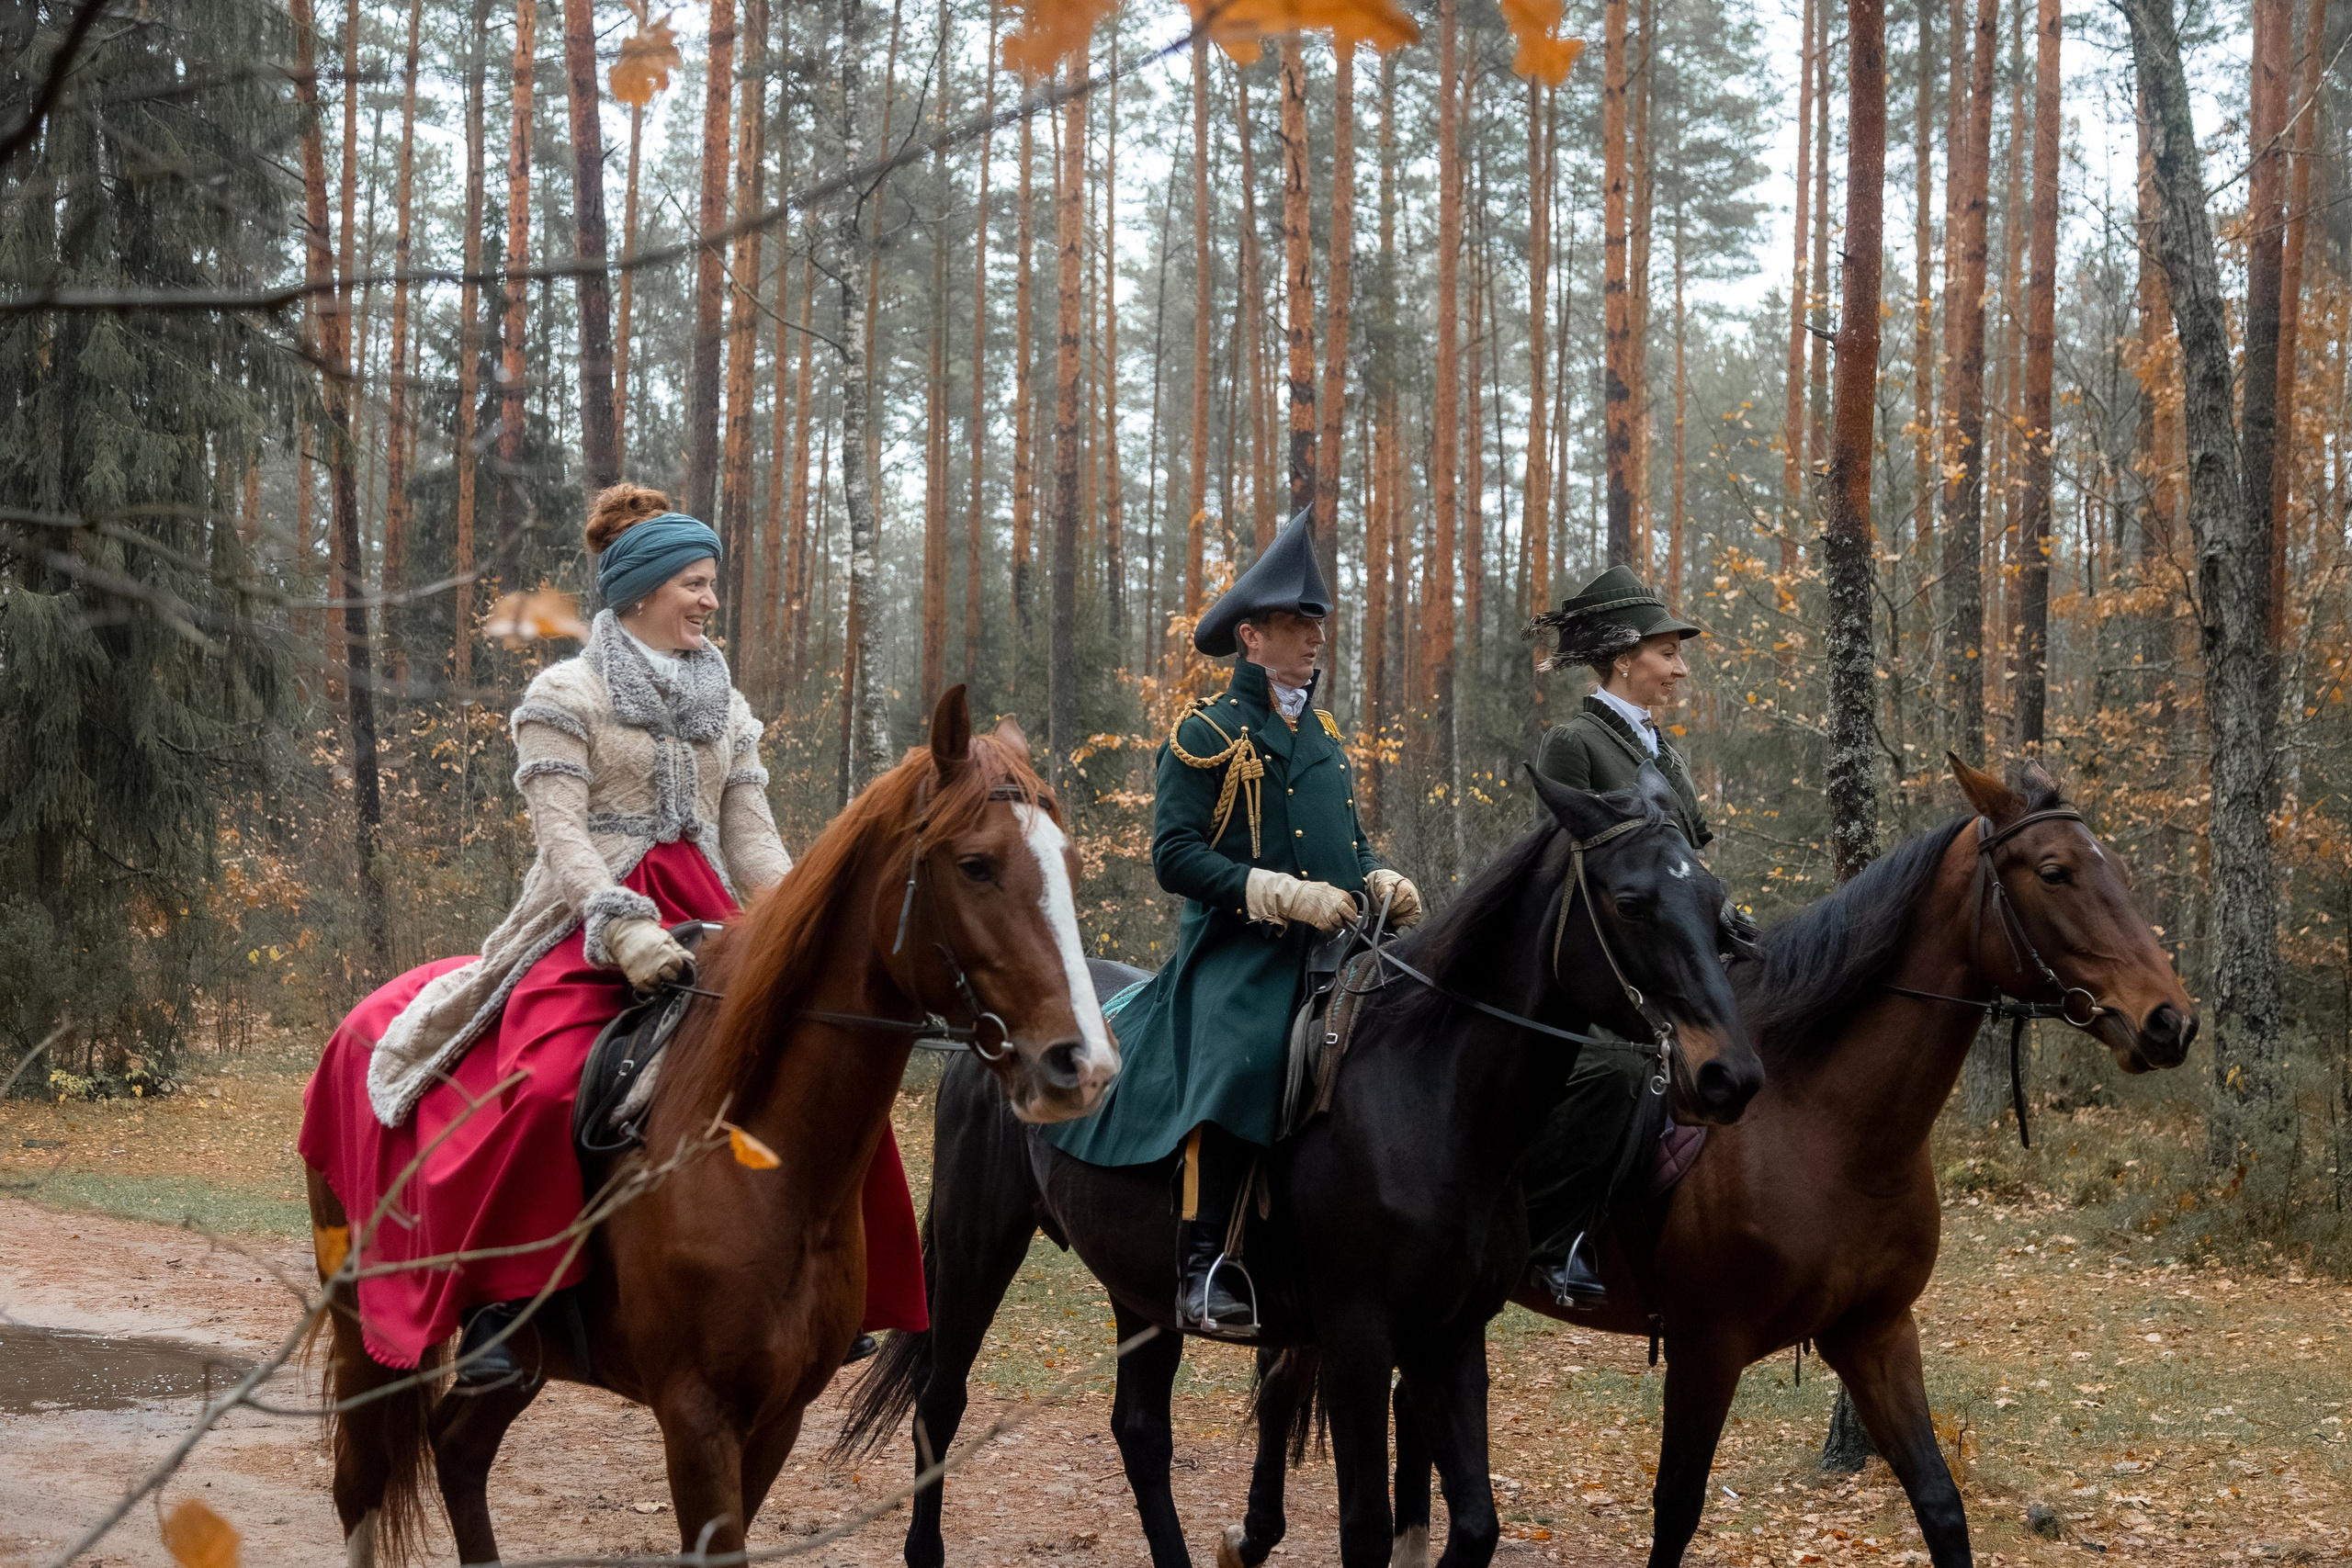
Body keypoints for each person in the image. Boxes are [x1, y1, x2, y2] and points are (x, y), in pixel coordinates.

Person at [299, 484, 924, 1386]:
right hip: (583, 921)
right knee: (549, 1084)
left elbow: (751, 837)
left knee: (822, 1082)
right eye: (696, 584)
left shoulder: (728, 704)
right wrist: (619, 925)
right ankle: (503, 1313)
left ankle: (832, 1292)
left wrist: (801, 922)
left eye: (712, 585)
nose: (711, 601)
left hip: (710, 918)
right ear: (640, 591)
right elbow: (560, 839)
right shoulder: (565, 693)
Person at [1046, 508, 1422, 1337]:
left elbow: (1347, 845)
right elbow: (1173, 855)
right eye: (1296, 622)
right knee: (1238, 1051)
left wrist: (1376, 876)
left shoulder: (1323, 735)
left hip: (1339, 948)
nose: (1313, 637)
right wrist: (1276, 893)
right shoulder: (1206, 735)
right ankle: (1203, 1259)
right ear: (1252, 637)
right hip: (1237, 955)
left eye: (1317, 621)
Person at [1518, 564, 1718, 1310]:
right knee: (1619, 1074)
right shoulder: (1573, 741)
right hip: (1602, 963)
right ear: (1625, 657)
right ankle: (1559, 1232)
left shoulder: (1663, 751)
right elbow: (1564, 872)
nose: (1679, 666)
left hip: (1675, 947)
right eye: (1668, 651)